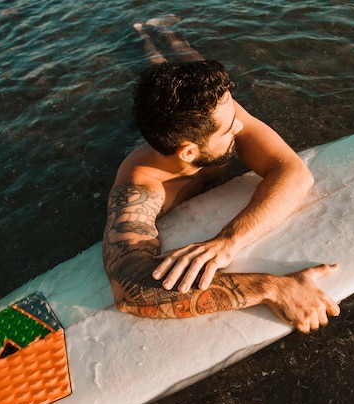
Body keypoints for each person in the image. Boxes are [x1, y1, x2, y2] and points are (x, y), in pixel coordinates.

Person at [102, 17, 339, 333]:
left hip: (187, 130)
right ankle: (139, 33)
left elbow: (294, 172)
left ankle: (162, 28)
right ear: (189, 152)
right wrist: (270, 287)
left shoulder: (222, 112)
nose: (240, 125)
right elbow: (130, 290)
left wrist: (228, 242)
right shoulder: (139, 187)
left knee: (186, 58)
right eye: (230, 128)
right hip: (166, 138)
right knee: (150, 60)